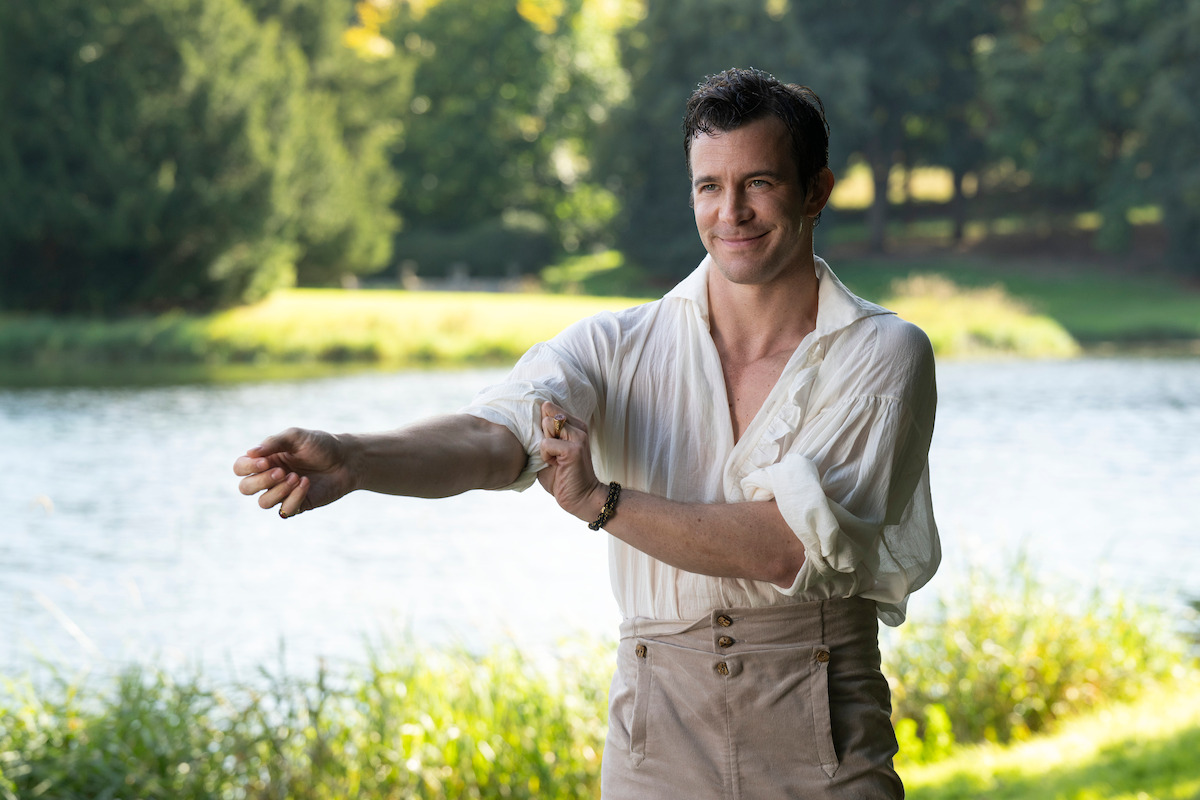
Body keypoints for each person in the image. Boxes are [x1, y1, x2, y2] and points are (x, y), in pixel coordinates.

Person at [234, 66, 939, 799]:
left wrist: (603, 504)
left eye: (758, 183)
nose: (731, 211)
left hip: (819, 728)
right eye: (709, 186)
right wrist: (354, 458)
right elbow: (496, 437)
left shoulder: (882, 354)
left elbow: (787, 545)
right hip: (656, 735)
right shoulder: (615, 344)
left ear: (816, 191)